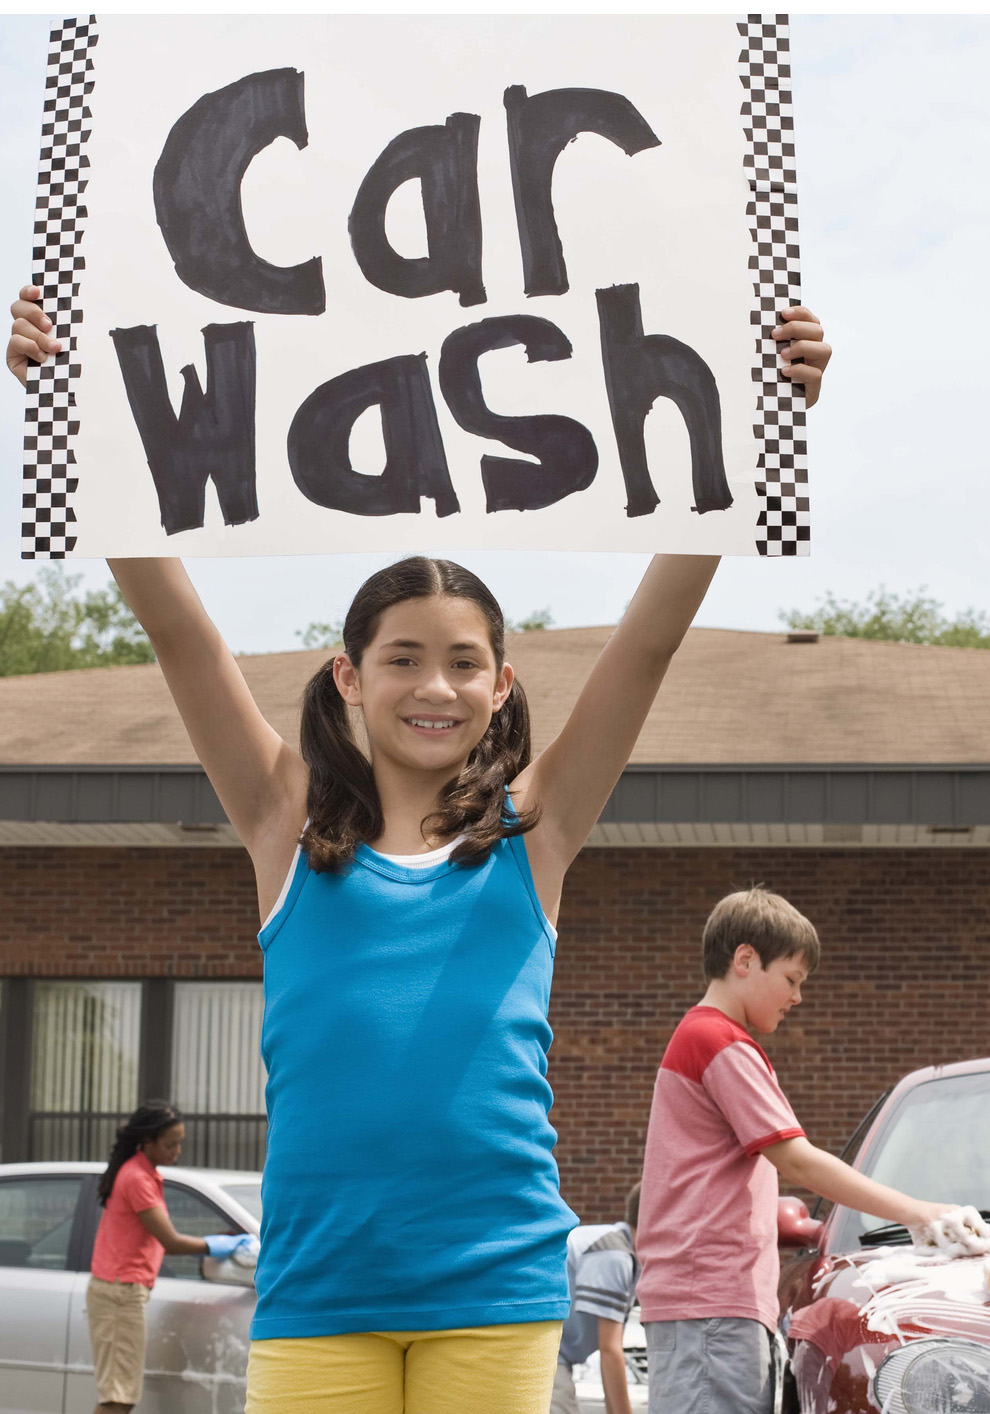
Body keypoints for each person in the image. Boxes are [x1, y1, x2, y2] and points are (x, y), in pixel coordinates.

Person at [8, 284, 831, 1414]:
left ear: (502, 688)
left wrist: (749, 416)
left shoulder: (532, 832)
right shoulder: (281, 820)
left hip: (493, 1288)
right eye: (400, 657)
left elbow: (646, 643)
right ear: (349, 678)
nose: (432, 685)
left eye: (461, 662)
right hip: (316, 1294)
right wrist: (65, 407)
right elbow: (179, 630)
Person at [637, 887, 978, 1414]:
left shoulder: (705, 1037)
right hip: (709, 1305)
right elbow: (796, 1158)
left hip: (705, 1304)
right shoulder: (719, 1041)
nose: (797, 997)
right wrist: (920, 1212)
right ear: (745, 960)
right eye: (792, 979)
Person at [90, 1101, 254, 1414]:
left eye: (179, 1143)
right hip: (119, 1293)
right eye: (170, 1144)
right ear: (148, 1141)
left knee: (120, 1394)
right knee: (118, 1398)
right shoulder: (137, 1179)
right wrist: (217, 1245)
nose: (176, 1152)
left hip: (121, 1290)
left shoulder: (142, 1173)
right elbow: (171, 1241)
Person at [551, 1184, 641, 1414]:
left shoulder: (622, 1250)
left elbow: (609, 1351)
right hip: (545, 1350)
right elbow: (610, 1349)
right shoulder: (615, 1255)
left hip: (554, 1352)